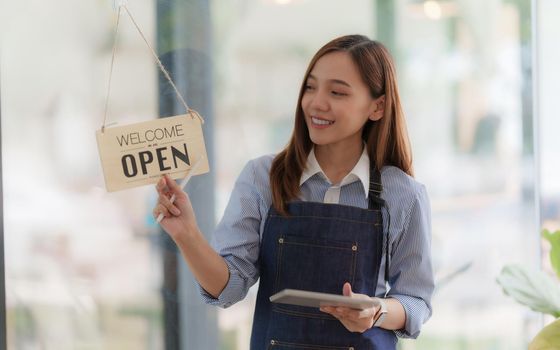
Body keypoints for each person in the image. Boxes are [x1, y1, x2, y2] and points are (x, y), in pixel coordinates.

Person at [154, 34, 434, 349]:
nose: (316, 102)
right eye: (310, 87)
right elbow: (227, 290)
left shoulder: (404, 195)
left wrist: (377, 311)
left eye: (337, 92)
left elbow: (415, 300)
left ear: (377, 106)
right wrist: (186, 233)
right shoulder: (262, 178)